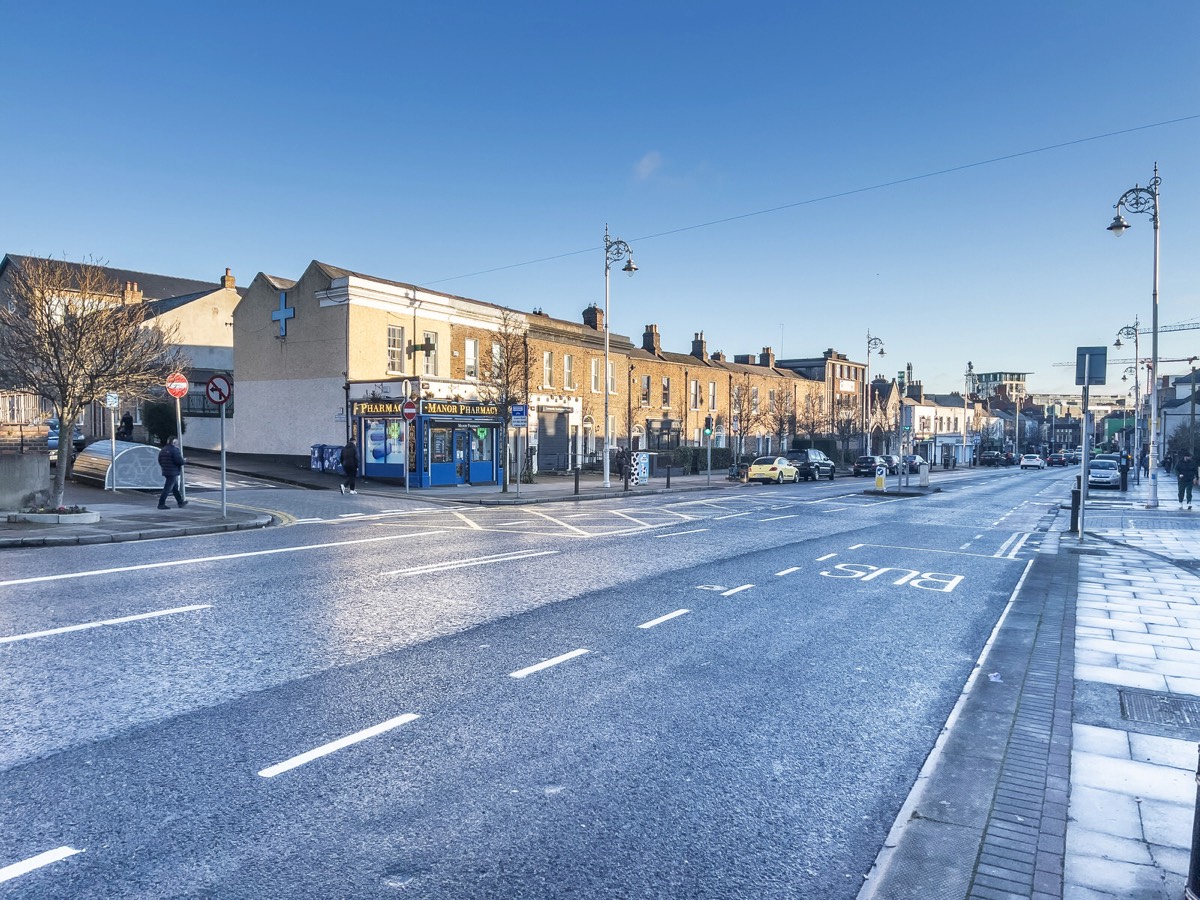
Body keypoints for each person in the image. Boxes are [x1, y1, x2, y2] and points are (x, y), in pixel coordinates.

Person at [157, 436, 187, 509]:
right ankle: (161, 504)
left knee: (174, 487)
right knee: (167, 488)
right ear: (174, 442)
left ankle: (180, 502)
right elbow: (179, 461)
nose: (177, 443)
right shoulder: (175, 450)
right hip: (173, 471)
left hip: (166, 471)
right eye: (176, 441)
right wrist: (184, 461)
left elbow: (160, 460)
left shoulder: (163, 449)